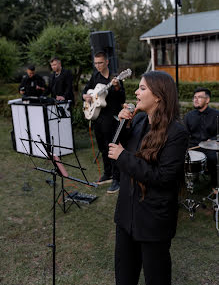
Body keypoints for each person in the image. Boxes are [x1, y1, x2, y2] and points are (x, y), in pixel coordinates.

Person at [108, 71, 188, 285]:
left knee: (156, 277)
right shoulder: (140, 120)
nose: (136, 92)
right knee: (124, 276)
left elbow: (163, 177)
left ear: (159, 96)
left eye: (142, 88)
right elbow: (117, 150)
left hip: (153, 220)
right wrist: (123, 124)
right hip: (126, 215)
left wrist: (123, 156)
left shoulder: (176, 132)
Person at [82, 51, 126, 193]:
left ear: (107, 62)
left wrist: (117, 86)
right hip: (98, 117)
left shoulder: (115, 78)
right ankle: (108, 173)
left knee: (112, 148)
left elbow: (122, 99)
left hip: (111, 118)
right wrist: (86, 97)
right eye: (95, 63)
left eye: (100, 62)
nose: (98, 66)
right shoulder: (95, 76)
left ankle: (117, 179)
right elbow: (85, 92)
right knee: (102, 148)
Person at [184, 87, 219, 187]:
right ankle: (189, 180)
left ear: (207, 100)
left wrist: (212, 140)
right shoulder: (189, 116)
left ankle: (214, 186)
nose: (196, 99)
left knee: (213, 159)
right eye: (194, 97)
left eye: (199, 97)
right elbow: (185, 134)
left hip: (209, 146)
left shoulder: (216, 115)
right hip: (193, 145)